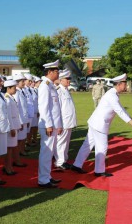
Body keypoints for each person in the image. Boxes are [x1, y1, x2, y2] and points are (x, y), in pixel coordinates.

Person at [71, 73, 132, 177]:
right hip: (99, 124)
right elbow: (120, 112)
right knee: (102, 147)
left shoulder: (113, 94)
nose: (126, 86)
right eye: (124, 84)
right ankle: (99, 171)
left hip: (95, 122)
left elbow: (121, 109)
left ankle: (77, 165)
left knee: (87, 145)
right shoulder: (112, 95)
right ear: (119, 84)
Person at [38, 60, 63, 188]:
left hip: (53, 125)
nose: (58, 73)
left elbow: (56, 109)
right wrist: (48, 125)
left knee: (50, 153)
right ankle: (43, 180)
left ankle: (47, 177)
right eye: (56, 71)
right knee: (46, 153)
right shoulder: (44, 86)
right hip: (48, 125)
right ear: (49, 72)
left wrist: (58, 125)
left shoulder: (51, 85)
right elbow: (44, 108)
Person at [54, 69, 77, 170]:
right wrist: (58, 124)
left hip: (68, 121)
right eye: (66, 79)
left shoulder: (66, 90)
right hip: (63, 122)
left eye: (69, 78)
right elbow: (57, 109)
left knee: (66, 142)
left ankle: (64, 160)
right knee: (61, 142)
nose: (69, 80)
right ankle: (59, 162)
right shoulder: (58, 91)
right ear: (61, 80)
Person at [3, 79, 21, 175]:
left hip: (14, 125)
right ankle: (7, 167)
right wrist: (11, 128)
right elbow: (8, 116)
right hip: (11, 127)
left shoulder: (10, 98)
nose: (16, 89)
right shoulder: (7, 99)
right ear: (9, 88)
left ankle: (9, 166)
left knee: (11, 148)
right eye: (14, 88)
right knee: (9, 149)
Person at [13, 74, 29, 165]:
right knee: (17, 142)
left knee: (21, 139)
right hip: (20, 121)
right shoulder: (16, 93)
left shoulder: (21, 91)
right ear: (17, 82)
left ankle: (18, 158)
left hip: (24, 119)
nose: (24, 83)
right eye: (22, 81)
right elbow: (16, 108)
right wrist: (20, 122)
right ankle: (16, 160)